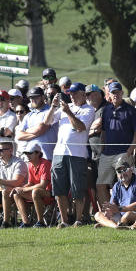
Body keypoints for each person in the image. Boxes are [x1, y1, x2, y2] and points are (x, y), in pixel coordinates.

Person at [45, 82, 96, 227]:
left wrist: (68, 112)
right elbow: (47, 121)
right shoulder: (66, 108)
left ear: (82, 94)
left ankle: (78, 219)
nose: (72, 97)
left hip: (77, 154)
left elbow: (80, 127)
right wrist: (53, 106)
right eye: (70, 94)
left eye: (74, 93)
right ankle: (64, 221)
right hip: (59, 153)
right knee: (59, 188)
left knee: (77, 188)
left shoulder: (88, 110)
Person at [96, 81, 136, 207]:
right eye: (113, 92)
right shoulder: (106, 110)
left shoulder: (131, 110)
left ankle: (127, 211)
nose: (116, 95)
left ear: (122, 93)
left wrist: (130, 150)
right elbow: (104, 132)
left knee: (126, 182)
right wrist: (103, 148)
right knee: (100, 184)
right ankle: (108, 213)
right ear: (109, 94)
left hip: (123, 152)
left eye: (118, 92)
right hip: (107, 153)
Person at [94, 156, 136, 228]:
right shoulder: (117, 185)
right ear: (116, 174)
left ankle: (109, 224)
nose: (122, 173)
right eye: (119, 171)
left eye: (125, 170)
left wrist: (120, 209)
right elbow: (113, 204)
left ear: (131, 169)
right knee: (98, 215)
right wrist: (110, 210)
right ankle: (116, 226)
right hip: (121, 214)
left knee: (128, 215)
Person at [12, 142, 53, 227]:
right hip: (38, 193)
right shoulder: (30, 164)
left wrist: (24, 189)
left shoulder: (45, 164)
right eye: (26, 153)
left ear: (38, 153)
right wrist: (19, 188)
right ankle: (26, 222)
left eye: (30, 153)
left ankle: (40, 222)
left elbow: (43, 185)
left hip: (50, 194)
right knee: (16, 193)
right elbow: (30, 183)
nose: (27, 155)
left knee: (35, 191)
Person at [15, 87, 57, 159]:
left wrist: (27, 131)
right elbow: (19, 136)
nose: (32, 100)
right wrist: (37, 133)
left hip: (47, 157)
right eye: (31, 98)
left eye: (35, 97)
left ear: (43, 97)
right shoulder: (28, 115)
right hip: (31, 158)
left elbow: (41, 128)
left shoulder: (51, 111)